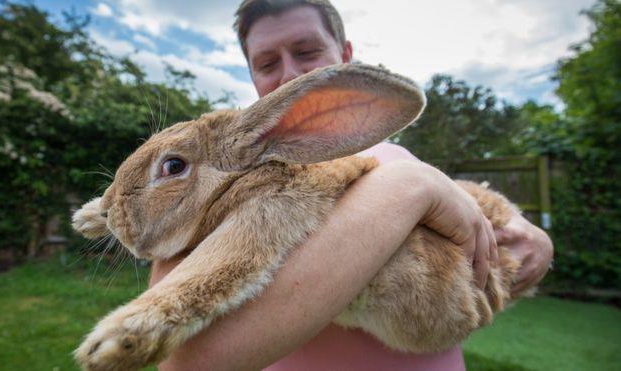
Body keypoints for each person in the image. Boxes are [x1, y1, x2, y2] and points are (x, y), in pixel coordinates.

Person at [150, 1, 554, 370]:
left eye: (307, 52)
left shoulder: (401, 159)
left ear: (345, 55)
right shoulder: (220, 179)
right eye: (267, 63)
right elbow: (181, 361)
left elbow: (476, 232)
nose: (290, 73)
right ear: (252, 75)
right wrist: (410, 189)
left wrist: (534, 239)